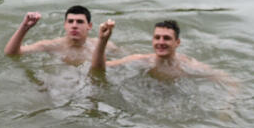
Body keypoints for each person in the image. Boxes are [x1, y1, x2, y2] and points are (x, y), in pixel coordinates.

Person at [92, 19, 236, 87]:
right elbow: (99, 69)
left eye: (166, 38)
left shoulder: (187, 65)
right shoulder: (141, 60)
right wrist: (103, 41)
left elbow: (230, 81)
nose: (160, 42)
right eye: (157, 37)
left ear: (177, 43)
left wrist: (227, 108)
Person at [4, 6, 115, 65]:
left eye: (80, 22)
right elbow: (11, 53)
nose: (74, 26)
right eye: (70, 22)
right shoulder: (51, 46)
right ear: (65, 25)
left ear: (89, 26)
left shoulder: (105, 46)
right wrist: (24, 27)